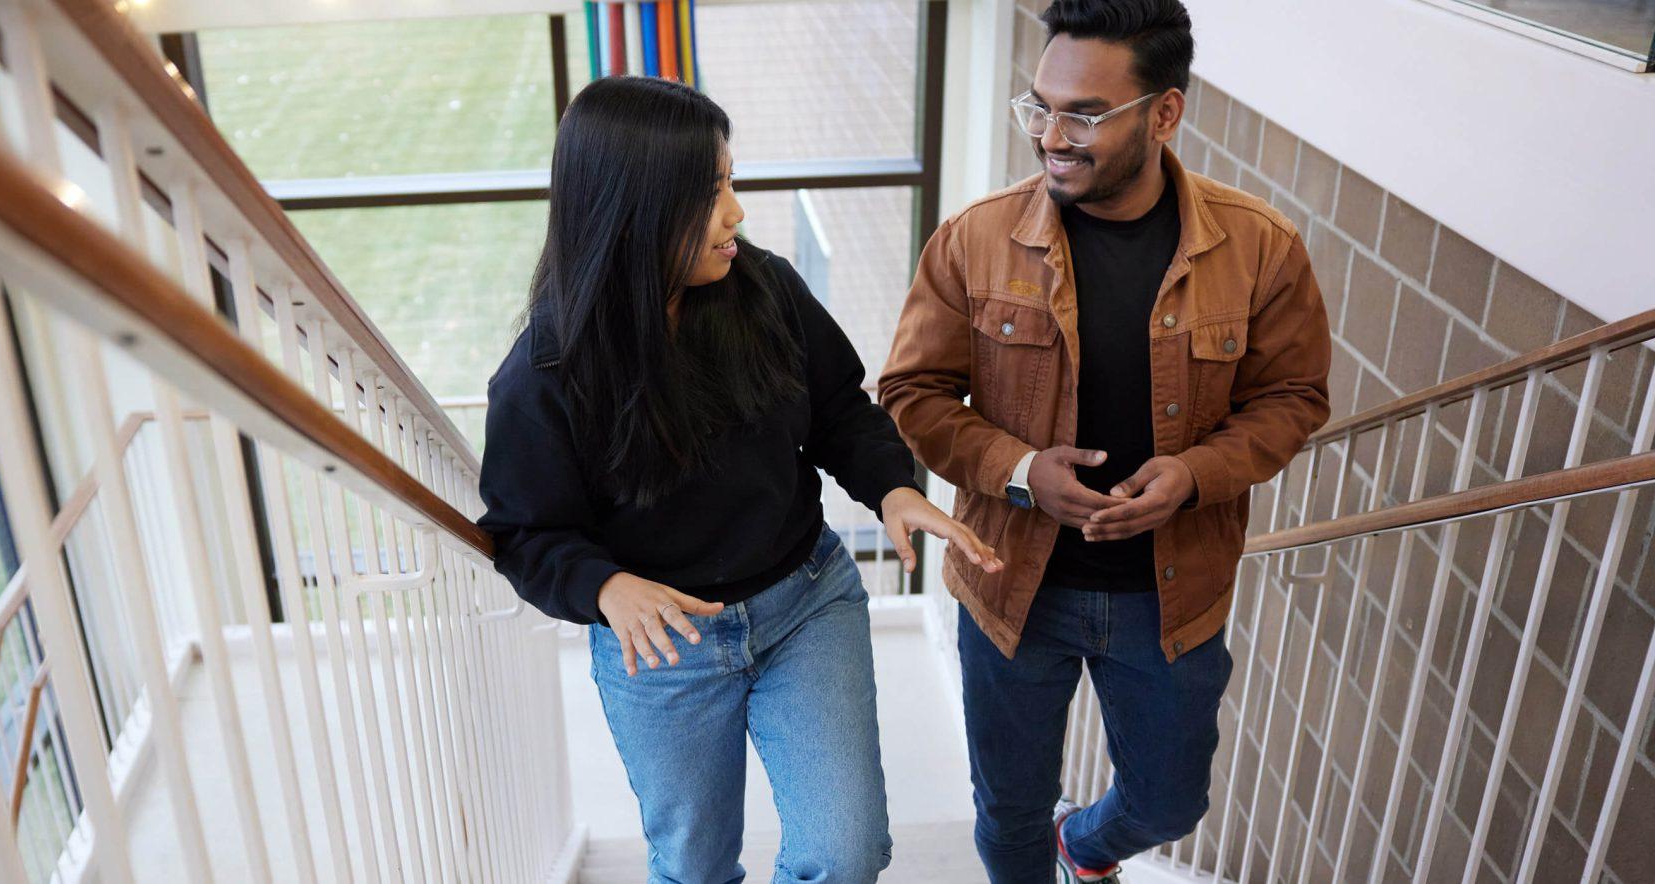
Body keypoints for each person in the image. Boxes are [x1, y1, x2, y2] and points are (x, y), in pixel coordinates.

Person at [478, 75, 1000, 884]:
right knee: (692, 865)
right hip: (663, 645)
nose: (736, 211)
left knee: (845, 851)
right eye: (709, 191)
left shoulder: (764, 288)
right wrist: (606, 587)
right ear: (635, 209)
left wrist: (894, 489)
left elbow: (838, 410)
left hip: (806, 605)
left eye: (730, 180)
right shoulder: (544, 373)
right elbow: (525, 534)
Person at [878, 1, 1332, 881]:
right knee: (1008, 811)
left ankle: (1083, 848)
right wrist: (1017, 472)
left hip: (1169, 598)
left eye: (1084, 113)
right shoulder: (976, 239)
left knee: (1169, 802)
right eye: (1039, 106)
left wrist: (1196, 475)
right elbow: (911, 392)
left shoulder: (1261, 250)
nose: (1052, 134)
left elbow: (1293, 396)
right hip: (1011, 592)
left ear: (1164, 113)